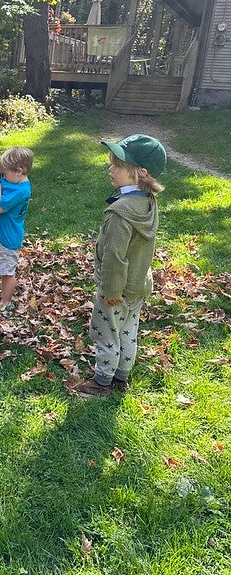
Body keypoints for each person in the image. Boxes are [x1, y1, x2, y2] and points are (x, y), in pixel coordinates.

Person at [76, 133, 166, 397]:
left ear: (140, 172)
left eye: (118, 165)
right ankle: (120, 378)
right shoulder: (148, 202)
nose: (110, 169)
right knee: (128, 329)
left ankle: (102, 382)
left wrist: (110, 291)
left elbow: (115, 256)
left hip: (117, 288)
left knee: (105, 332)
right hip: (139, 284)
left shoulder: (120, 213)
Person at [0, 146, 33, 311]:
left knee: (8, 272)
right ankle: (4, 296)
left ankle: (6, 303)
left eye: (6, 174)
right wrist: (1, 176)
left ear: (19, 171)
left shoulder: (21, 191)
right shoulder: (17, 181)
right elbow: (8, 182)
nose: (3, 177)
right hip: (3, 233)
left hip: (8, 238)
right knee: (4, 268)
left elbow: (0, 207)